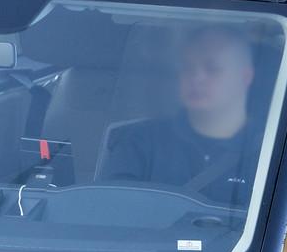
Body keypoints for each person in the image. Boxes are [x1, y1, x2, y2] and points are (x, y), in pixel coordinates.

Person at [97, 25, 259, 202]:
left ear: (245, 77)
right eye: (188, 68)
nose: (197, 78)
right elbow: (112, 209)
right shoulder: (140, 141)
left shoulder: (273, 150)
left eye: (212, 69)